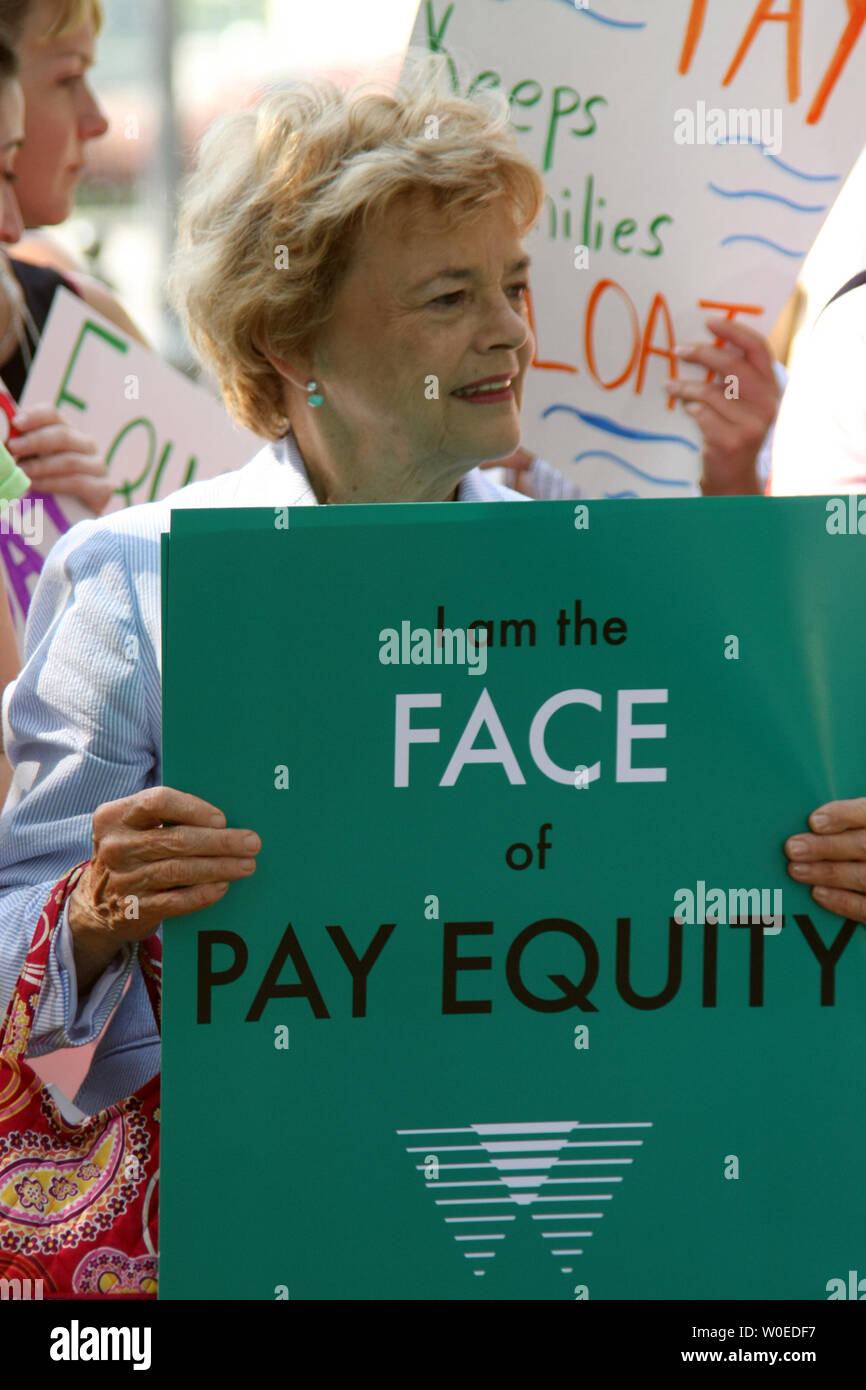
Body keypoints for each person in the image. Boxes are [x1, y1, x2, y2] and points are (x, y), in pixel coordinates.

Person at [0, 57, 861, 1123]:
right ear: (287, 337)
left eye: (512, 283)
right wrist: (93, 909)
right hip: (247, 1217)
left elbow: (707, 898)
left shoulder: (615, 583)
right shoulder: (133, 580)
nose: (508, 330)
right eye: (450, 296)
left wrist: (821, 869)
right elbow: (17, 958)